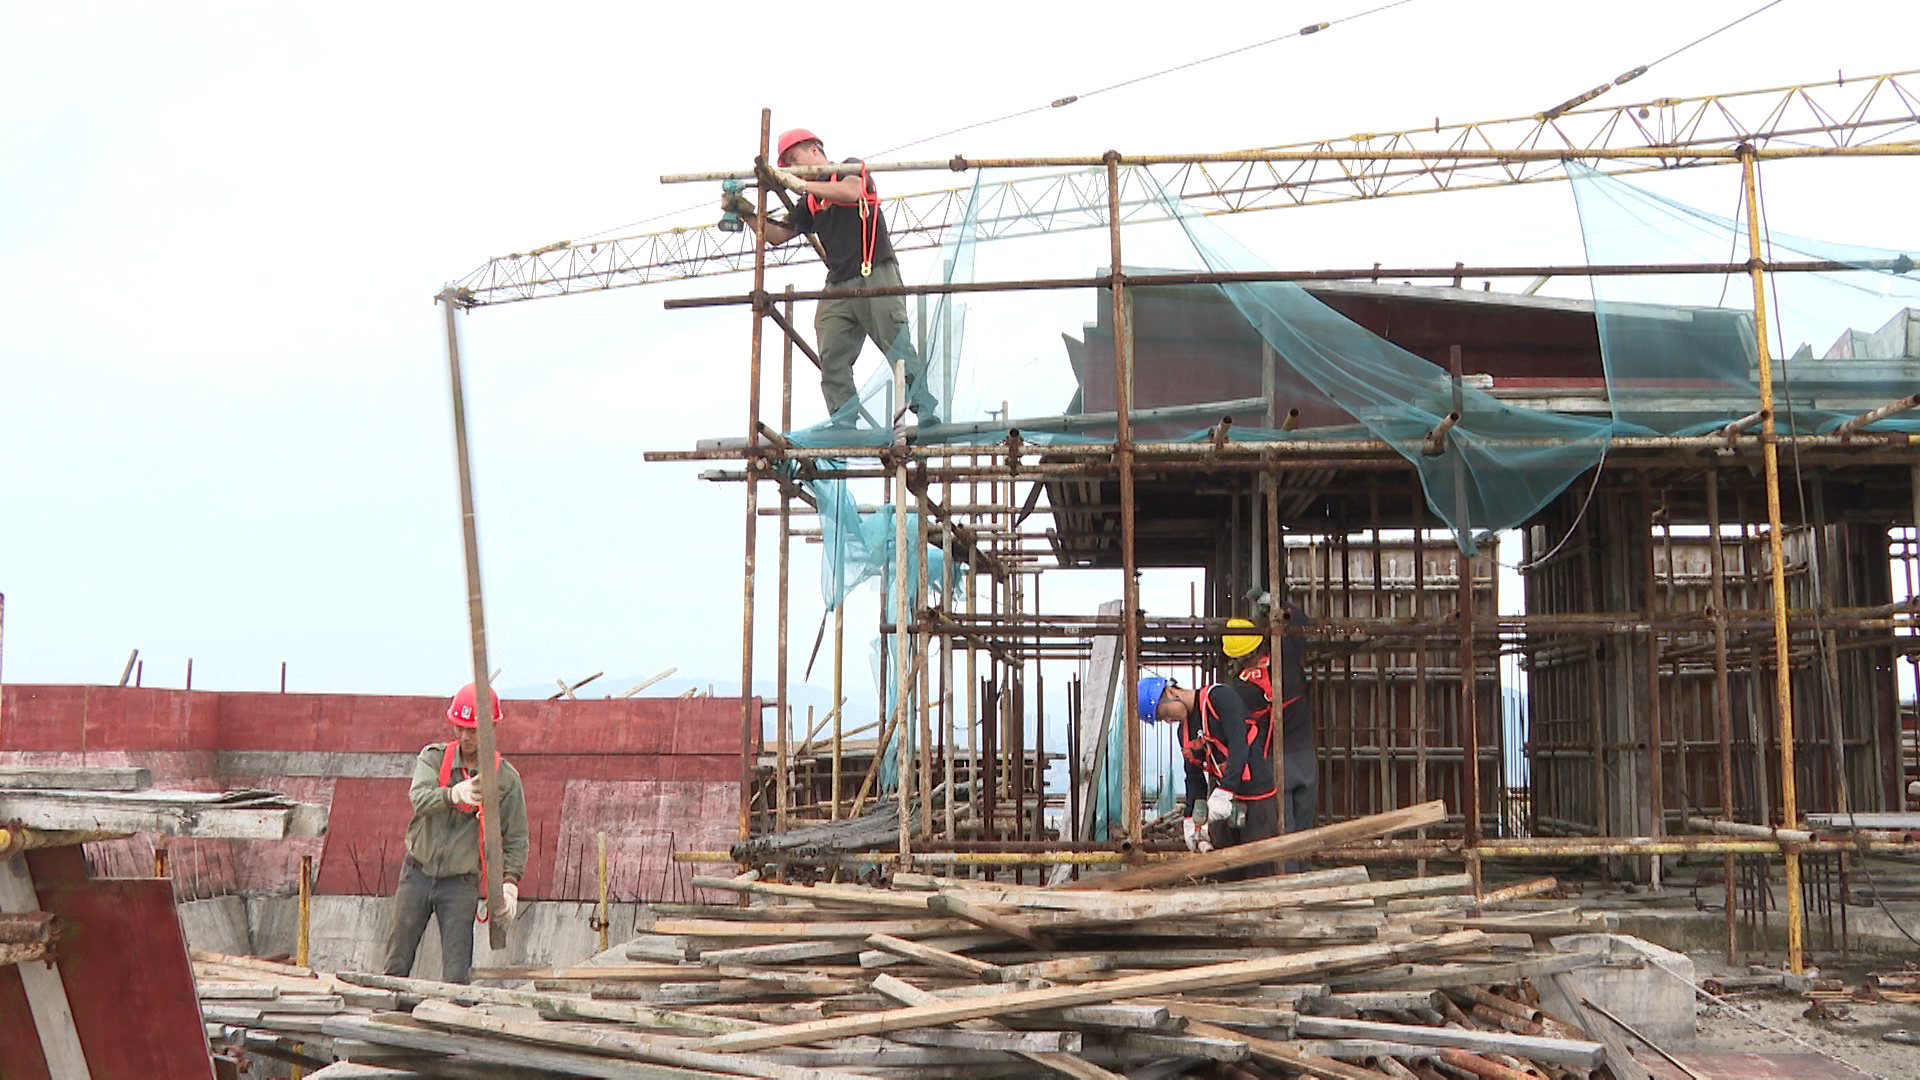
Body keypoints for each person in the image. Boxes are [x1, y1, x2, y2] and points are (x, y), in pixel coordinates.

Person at [726, 128, 939, 428]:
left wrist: (800, 184)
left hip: (875, 272)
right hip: (839, 284)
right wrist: (747, 213)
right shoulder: (810, 201)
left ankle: (925, 409)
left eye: (794, 159)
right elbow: (775, 235)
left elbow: (851, 192)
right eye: (787, 165)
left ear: (814, 151)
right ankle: (843, 420)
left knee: (897, 345)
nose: (793, 168)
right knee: (832, 353)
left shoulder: (848, 170)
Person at [382, 684, 530, 985]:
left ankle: (449, 1022)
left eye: (473, 730)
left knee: (456, 973)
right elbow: (419, 798)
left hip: (460, 884)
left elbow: (516, 837)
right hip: (417, 874)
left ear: (491, 727)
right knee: (396, 963)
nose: (465, 737)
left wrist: (509, 884)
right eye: (460, 728)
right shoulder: (434, 759)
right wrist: (453, 794)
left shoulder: (505, 779)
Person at [1137, 674, 1278, 879]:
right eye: (1162, 720)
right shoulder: (1183, 733)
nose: (1168, 721)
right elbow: (1193, 777)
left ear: (1171, 693)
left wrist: (1225, 791)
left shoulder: (1220, 698)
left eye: (1163, 713)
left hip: (1257, 799)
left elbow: (1240, 744)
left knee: (1260, 868)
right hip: (1225, 805)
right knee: (1225, 868)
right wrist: (1190, 817)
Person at [1222, 597, 1318, 835]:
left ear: (1235, 658)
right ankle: (1305, 871)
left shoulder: (1238, 689)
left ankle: (1286, 873)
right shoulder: (1285, 657)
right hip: (1305, 757)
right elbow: (1301, 623)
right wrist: (1276, 602)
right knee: (1306, 833)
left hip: (1272, 764)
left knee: (1282, 833)